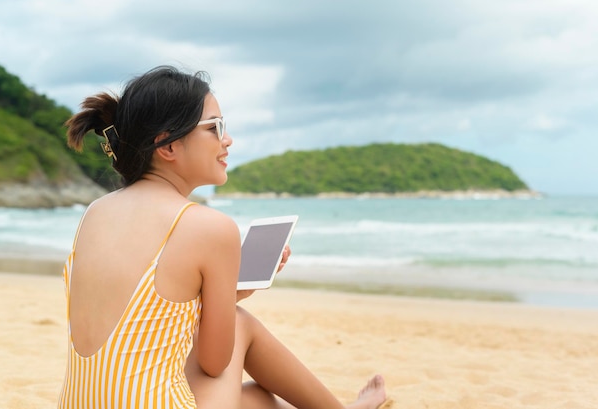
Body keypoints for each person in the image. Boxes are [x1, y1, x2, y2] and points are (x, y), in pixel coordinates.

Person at [58, 65, 391, 409]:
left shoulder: (94, 212)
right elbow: (214, 363)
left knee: (258, 400)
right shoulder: (208, 227)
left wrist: (228, 291)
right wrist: (228, 299)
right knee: (240, 326)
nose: (227, 139)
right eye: (215, 127)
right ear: (167, 145)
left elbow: (142, 324)